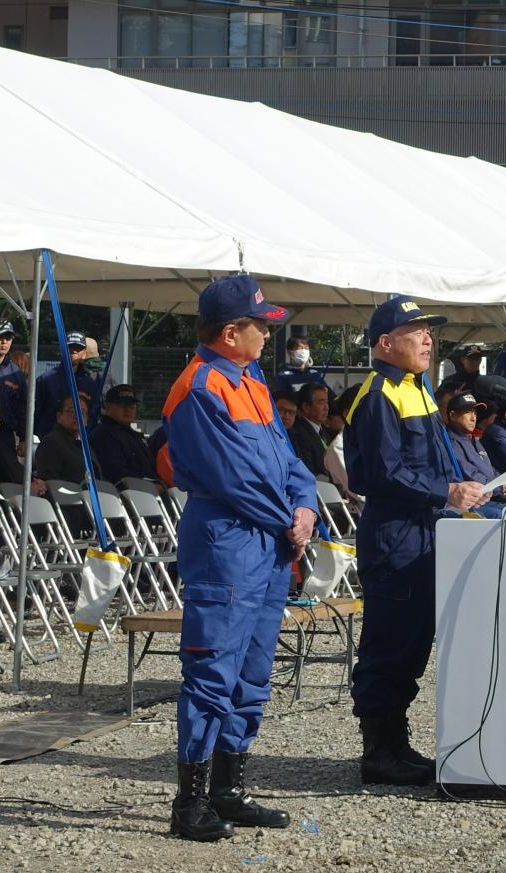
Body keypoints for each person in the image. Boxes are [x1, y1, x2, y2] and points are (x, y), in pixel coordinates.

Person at [162, 274, 317, 842]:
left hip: (268, 544)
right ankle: (191, 801)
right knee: (212, 670)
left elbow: (289, 460)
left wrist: (305, 507)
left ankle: (228, 788)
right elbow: (236, 479)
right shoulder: (201, 388)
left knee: (251, 672)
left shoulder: (248, 380)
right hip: (228, 542)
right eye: (260, 326)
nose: (267, 335)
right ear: (231, 332)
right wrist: (291, 519)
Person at [344, 295, 488, 786]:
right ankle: (378, 752)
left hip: (424, 529)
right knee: (389, 642)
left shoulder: (417, 389)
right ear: (386, 342)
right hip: (394, 533)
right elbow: (382, 473)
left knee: (413, 643)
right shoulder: (379, 393)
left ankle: (397, 743)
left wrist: (461, 488)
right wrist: (446, 491)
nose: (429, 338)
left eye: (430, 330)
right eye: (417, 331)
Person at [445, 391, 506, 518]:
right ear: (452, 415)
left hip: (484, 500)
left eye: (475, 412)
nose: (473, 418)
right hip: (463, 505)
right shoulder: (449, 441)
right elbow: (469, 473)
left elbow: (489, 469)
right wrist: (500, 486)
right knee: (505, 516)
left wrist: (504, 481)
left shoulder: (472, 439)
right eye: (468, 412)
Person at [34, 330, 99, 437]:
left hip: (82, 442)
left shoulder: (91, 382)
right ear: (61, 350)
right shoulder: (46, 380)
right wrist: (45, 435)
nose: (74, 352)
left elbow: (94, 413)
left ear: (84, 354)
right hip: (53, 440)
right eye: (70, 347)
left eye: (78, 348)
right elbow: (36, 413)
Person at [89, 384, 157, 485]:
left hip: (147, 491)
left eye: (131, 406)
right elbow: (116, 473)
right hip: (123, 494)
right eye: (122, 404)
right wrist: (151, 486)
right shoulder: (103, 434)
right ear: (107, 406)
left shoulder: (135, 435)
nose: (128, 409)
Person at [34, 394, 102, 484]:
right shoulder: (51, 442)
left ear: (86, 420)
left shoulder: (84, 445)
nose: (76, 416)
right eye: (71, 411)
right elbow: (50, 481)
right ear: (59, 416)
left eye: (81, 412)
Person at [324, 384, 364, 510]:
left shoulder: (377, 439)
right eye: (365, 407)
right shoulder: (339, 447)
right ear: (347, 413)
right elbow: (358, 491)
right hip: (362, 512)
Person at [0, 319, 26, 440]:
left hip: (7, 436)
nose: (4, 342)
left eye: (8, 338)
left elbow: (23, 408)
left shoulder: (16, 373)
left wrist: (23, 438)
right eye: (0, 337)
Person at [289, 382, 331, 480]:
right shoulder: (299, 435)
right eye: (321, 403)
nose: (326, 408)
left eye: (326, 402)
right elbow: (308, 471)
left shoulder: (322, 431)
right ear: (306, 407)